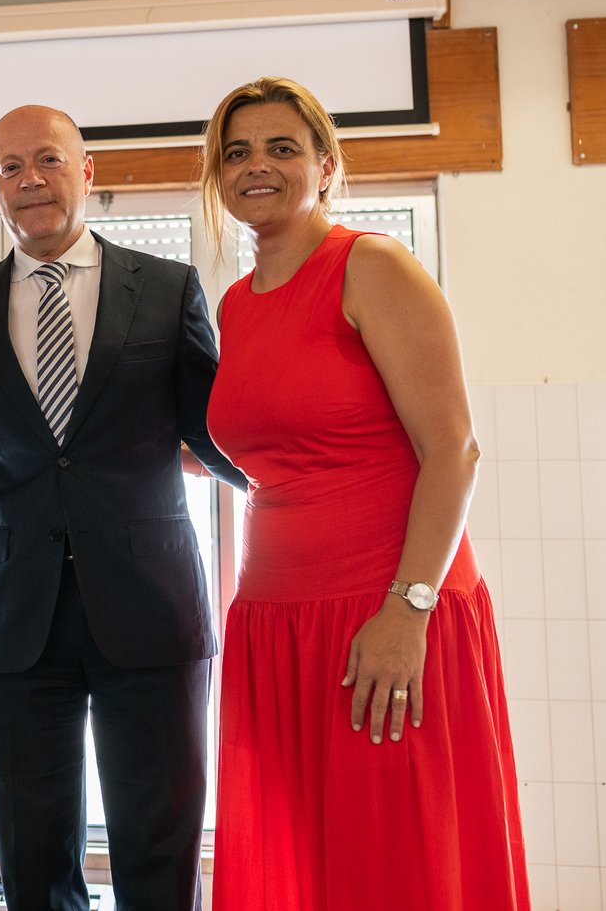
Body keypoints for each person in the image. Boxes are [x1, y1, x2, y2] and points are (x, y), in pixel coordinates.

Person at [200, 77, 529, 911]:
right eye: (237, 152)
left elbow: (453, 449)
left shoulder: (371, 266)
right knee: (309, 868)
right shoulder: (235, 305)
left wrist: (408, 611)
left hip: (383, 616)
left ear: (326, 166)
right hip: (278, 625)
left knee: (398, 865)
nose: (256, 165)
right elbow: (282, 451)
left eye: (282, 147)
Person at [0, 105, 245, 911]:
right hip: (14, 615)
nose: (29, 178)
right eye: (9, 167)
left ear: (87, 170)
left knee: (159, 849)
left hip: (152, 607)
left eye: (48, 159)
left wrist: (307, 484)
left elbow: (216, 432)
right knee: (33, 862)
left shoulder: (168, 287)